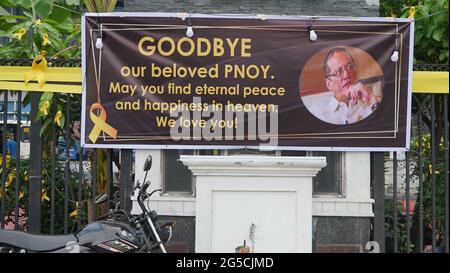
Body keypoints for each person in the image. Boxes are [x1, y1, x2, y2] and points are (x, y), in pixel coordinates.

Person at [307, 47, 380, 125]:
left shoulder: (373, 103)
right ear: (329, 84)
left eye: (350, 67)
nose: (346, 75)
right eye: (339, 71)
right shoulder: (318, 112)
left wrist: (371, 100)